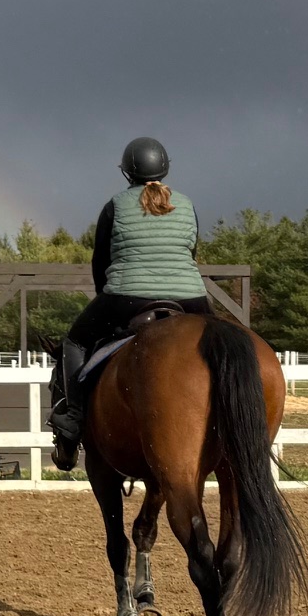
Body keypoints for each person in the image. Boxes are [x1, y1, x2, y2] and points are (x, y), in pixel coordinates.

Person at [49, 135, 207, 470]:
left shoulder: (116, 205)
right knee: (228, 342)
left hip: (127, 296)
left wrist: (104, 295)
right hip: (190, 296)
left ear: (126, 173)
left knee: (74, 341)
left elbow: (100, 260)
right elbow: (191, 252)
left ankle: (74, 420)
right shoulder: (187, 204)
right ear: (165, 169)